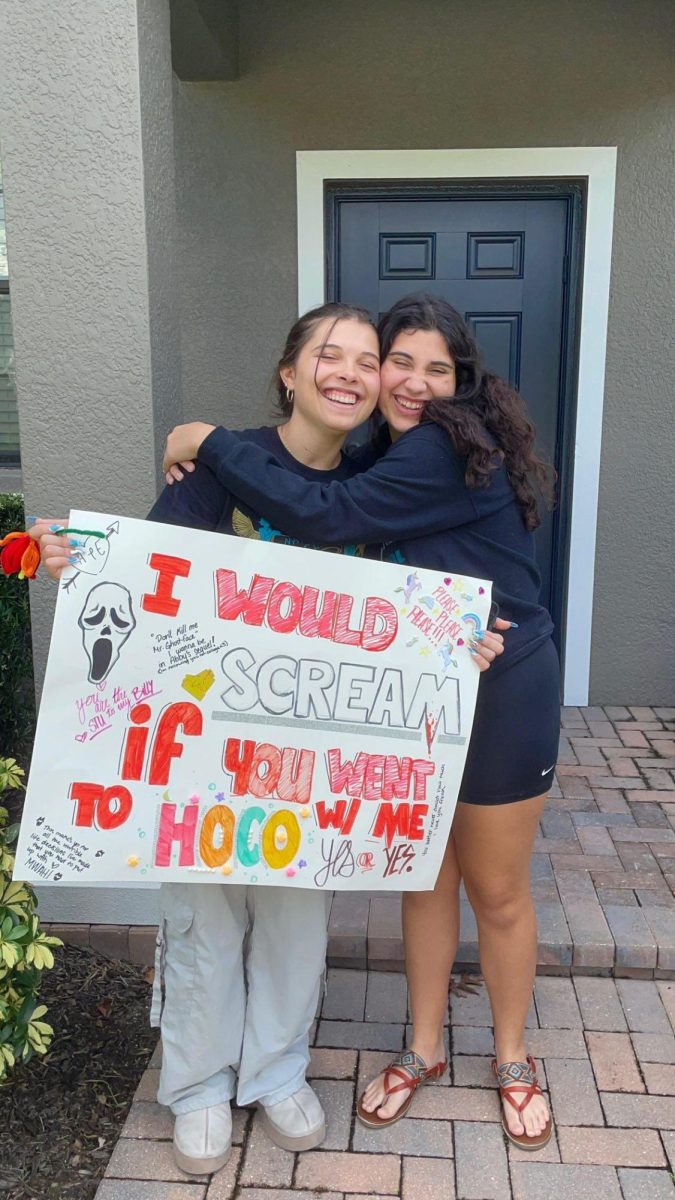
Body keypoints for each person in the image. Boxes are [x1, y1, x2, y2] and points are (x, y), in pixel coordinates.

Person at [30, 300, 504, 1174]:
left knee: (296, 915)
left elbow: (419, 596)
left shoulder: (377, 481)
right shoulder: (222, 469)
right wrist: (80, 558)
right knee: (204, 916)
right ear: (290, 372)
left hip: (312, 759)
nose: (352, 373)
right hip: (204, 750)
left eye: (369, 361)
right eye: (331, 355)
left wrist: (458, 639)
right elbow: (146, 571)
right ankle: (199, 1086)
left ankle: (279, 1070)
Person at [160, 294, 559, 1151]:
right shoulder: (381, 456)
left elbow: (330, 520)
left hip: (498, 690)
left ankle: (514, 1059)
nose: (407, 382)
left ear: (463, 383)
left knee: (494, 889)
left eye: (433, 368)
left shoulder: (441, 451)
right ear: (292, 372)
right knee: (420, 877)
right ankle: (419, 1050)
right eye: (396, 362)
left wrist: (203, 436)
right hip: (387, 702)